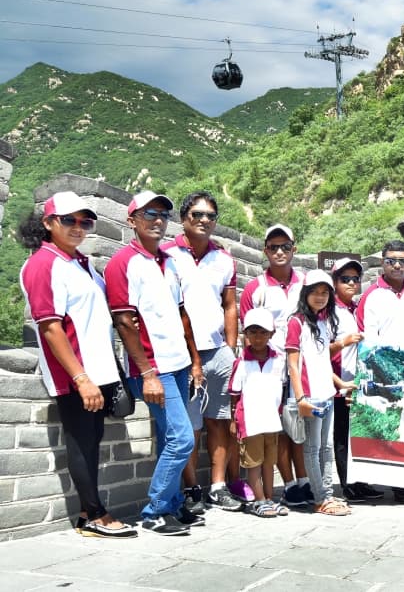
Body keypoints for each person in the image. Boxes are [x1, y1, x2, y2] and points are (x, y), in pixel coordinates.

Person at [18, 192, 138, 538]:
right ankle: (94, 515)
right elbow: (50, 327)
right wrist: (82, 379)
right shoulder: (43, 264)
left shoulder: (80, 262)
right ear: (48, 223)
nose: (78, 227)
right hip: (75, 375)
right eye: (69, 220)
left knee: (93, 439)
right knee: (82, 441)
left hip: (99, 370)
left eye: (85, 222)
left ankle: (89, 513)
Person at [105, 191, 203, 535]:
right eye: (149, 213)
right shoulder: (122, 263)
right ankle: (155, 510)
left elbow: (182, 315)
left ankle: (173, 504)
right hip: (152, 368)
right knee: (182, 439)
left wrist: (194, 362)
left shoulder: (170, 261)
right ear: (131, 220)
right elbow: (124, 321)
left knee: (168, 438)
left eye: (163, 214)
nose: (158, 220)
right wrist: (147, 374)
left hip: (178, 364)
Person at [163, 192, 244, 513]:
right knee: (190, 426)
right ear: (183, 218)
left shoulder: (224, 259)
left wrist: (231, 349)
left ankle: (218, 487)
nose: (204, 220)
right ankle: (191, 488)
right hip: (182, 355)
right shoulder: (166, 255)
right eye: (197, 214)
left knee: (220, 422)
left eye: (210, 215)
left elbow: (230, 305)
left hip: (218, 352)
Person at [239, 224, 311, 508]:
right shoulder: (256, 288)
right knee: (277, 426)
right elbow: (248, 331)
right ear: (265, 251)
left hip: (300, 365)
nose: (279, 252)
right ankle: (289, 484)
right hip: (269, 367)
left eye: (285, 246)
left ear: (294, 249)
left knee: (298, 425)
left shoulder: (305, 283)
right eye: (273, 247)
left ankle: (304, 480)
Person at [286, 270, 356, 517]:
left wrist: (340, 383)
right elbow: (293, 365)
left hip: (326, 393)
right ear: (305, 294)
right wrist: (300, 399)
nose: (320, 296)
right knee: (312, 448)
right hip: (311, 397)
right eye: (315, 292)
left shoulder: (323, 323)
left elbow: (322, 361)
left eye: (325, 292)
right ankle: (320, 498)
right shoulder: (296, 322)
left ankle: (326, 494)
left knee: (326, 447)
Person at [329, 258, 382, 504]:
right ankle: (347, 484)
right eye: (345, 279)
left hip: (358, 381)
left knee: (357, 434)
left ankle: (360, 481)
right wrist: (344, 342)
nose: (351, 283)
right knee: (341, 435)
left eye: (355, 279)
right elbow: (319, 349)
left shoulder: (357, 308)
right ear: (335, 281)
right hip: (338, 382)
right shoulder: (329, 311)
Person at [227, 308, 284, 518]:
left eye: (263, 332)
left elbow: (280, 389)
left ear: (271, 333)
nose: (258, 337)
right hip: (250, 422)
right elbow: (234, 393)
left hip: (272, 421)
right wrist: (234, 420)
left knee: (269, 463)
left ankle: (269, 498)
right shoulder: (241, 362)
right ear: (246, 334)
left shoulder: (279, 360)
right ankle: (259, 501)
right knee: (254, 463)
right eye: (253, 332)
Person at [357, 240, 404, 351]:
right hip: (385, 360)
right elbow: (366, 339)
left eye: (403, 261)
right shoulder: (371, 295)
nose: (397, 265)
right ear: (382, 262)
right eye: (390, 261)